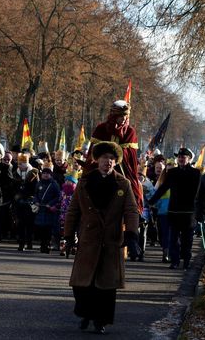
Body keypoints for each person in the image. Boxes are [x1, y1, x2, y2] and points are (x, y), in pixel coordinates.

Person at [64, 141, 140, 334]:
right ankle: (85, 313)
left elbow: (131, 211)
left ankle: (101, 321)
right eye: (105, 158)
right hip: (88, 238)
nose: (108, 162)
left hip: (111, 240)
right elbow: (73, 211)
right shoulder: (85, 182)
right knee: (82, 284)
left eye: (112, 159)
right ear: (97, 160)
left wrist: (131, 234)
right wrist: (68, 235)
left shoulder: (123, 184)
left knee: (106, 286)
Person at [148, 148, 201, 269]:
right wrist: (152, 201)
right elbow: (163, 188)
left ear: (189, 159)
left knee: (187, 240)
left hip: (188, 212)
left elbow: (199, 193)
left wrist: (199, 210)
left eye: (184, 157)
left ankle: (186, 260)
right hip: (174, 211)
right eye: (179, 157)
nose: (181, 159)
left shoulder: (195, 173)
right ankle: (175, 261)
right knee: (173, 239)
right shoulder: (172, 173)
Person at [86, 100, 143, 213]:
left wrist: (118, 154)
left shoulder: (130, 132)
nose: (124, 119)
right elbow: (93, 153)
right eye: (121, 116)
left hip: (121, 169)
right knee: (85, 185)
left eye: (126, 116)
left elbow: (130, 158)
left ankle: (134, 214)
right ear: (114, 115)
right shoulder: (101, 128)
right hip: (100, 166)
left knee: (133, 188)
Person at [12, 153, 39, 251]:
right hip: (19, 202)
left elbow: (36, 188)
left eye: (21, 164)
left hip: (29, 202)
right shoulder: (16, 174)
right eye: (19, 164)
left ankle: (29, 242)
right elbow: (13, 187)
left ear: (26, 164)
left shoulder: (33, 173)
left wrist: (32, 198)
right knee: (20, 224)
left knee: (29, 224)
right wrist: (16, 196)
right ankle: (21, 243)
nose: (19, 166)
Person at [33, 165, 61, 254]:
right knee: (41, 228)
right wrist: (36, 201)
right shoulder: (39, 183)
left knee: (48, 229)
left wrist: (50, 204)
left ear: (50, 175)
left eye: (47, 174)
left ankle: (47, 245)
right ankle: (42, 245)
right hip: (41, 209)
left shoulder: (54, 184)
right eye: (44, 173)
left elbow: (58, 196)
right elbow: (35, 195)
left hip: (49, 210)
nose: (45, 175)